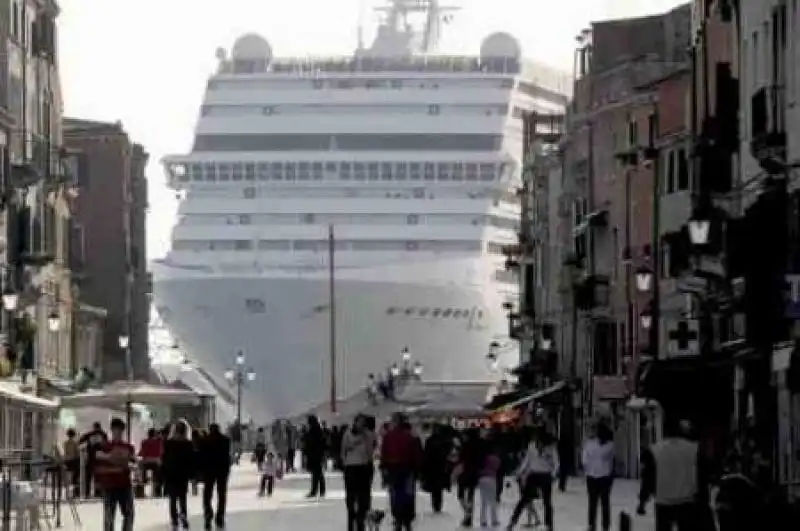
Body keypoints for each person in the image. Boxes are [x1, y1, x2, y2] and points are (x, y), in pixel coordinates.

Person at [649, 418, 702, 531]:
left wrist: (643, 500)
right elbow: (700, 472)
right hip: (686, 500)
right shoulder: (693, 448)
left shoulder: (656, 449)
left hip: (663, 501)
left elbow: (649, 475)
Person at [506, 429, 558, 531]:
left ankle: (549, 525)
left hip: (545, 474)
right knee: (524, 499)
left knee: (547, 502)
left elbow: (556, 462)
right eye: (537, 441)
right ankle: (512, 522)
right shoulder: (532, 446)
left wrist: (553, 474)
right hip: (533, 474)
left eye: (540, 441)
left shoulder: (551, 448)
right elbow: (527, 460)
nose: (538, 443)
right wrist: (520, 472)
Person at [380, 412, 422, 531]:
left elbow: (384, 454)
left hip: (393, 469)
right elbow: (416, 455)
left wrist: (384, 470)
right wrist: (417, 470)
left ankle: (398, 519)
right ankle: (407, 520)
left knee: (395, 495)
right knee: (408, 494)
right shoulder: (410, 437)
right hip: (408, 469)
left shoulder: (388, 437)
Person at [95, 418, 135, 531]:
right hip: (110, 485)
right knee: (109, 516)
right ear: (111, 430)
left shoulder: (128, 447)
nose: (118, 432)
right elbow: (99, 468)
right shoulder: (104, 447)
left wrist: (130, 466)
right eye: (116, 430)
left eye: (120, 430)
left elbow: (133, 463)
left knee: (128, 514)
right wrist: (116, 468)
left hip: (124, 484)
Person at [341, 414, 377, 531]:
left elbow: (370, 451)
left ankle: (361, 524)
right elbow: (343, 451)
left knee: (363, 500)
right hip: (351, 468)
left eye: (363, 422)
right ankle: (351, 525)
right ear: (355, 422)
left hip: (363, 468)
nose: (361, 425)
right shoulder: (347, 434)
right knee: (351, 500)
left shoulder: (368, 435)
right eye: (359, 422)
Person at [162, 420, 196, 530]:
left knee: (172, 499)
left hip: (171, 474)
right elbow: (191, 461)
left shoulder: (168, 443)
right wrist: (192, 477)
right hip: (183, 475)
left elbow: (164, 460)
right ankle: (183, 516)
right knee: (182, 498)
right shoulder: (188, 444)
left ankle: (174, 520)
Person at [582, 422, 615, 531]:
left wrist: (588, 468)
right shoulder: (610, 445)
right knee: (604, 502)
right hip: (604, 476)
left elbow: (585, 460)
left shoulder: (590, 444)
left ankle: (593, 524)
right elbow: (610, 460)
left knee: (594, 502)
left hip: (593, 476)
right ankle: (603, 525)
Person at [199, 423, 232, 530]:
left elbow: (202, 456)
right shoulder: (226, 440)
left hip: (208, 471)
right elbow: (227, 456)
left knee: (207, 494)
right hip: (222, 471)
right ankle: (220, 516)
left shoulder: (205, 440)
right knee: (221, 494)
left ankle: (208, 513)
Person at [421, 424, 451, 514]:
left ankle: (435, 504)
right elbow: (446, 453)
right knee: (439, 487)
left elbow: (426, 455)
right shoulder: (444, 441)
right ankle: (438, 504)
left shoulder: (429, 441)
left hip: (432, 467)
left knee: (434, 487)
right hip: (440, 467)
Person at [80, 421, 108, 498]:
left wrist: (86, 446)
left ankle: (87, 492)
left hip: (91, 457)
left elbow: (81, 440)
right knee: (98, 476)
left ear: (94, 427)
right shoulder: (103, 434)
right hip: (99, 458)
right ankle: (98, 492)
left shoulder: (89, 434)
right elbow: (106, 445)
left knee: (89, 476)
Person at [303, 415, 327, 498]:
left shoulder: (313, 431)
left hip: (314, 454)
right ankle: (320, 491)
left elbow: (308, 442)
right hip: (317, 454)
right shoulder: (319, 430)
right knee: (318, 473)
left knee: (317, 473)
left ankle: (315, 491)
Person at [478, 444, 501, 528]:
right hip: (491, 479)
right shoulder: (496, 459)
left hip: (482, 479)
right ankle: (494, 520)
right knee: (492, 501)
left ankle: (483, 520)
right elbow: (497, 468)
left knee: (483, 501)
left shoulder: (483, 458)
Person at [139, 428, 164, 497]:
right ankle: (157, 490)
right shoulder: (159, 442)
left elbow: (141, 453)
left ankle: (142, 482)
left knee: (140, 466)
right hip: (156, 462)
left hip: (146, 462)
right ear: (155, 434)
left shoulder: (144, 442)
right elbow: (161, 452)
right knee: (158, 470)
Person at [63, 429, 81, 497]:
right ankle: (75, 492)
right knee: (75, 477)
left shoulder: (65, 443)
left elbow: (66, 452)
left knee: (68, 477)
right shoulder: (75, 443)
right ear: (74, 435)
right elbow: (77, 453)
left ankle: (67, 493)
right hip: (74, 461)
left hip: (67, 461)